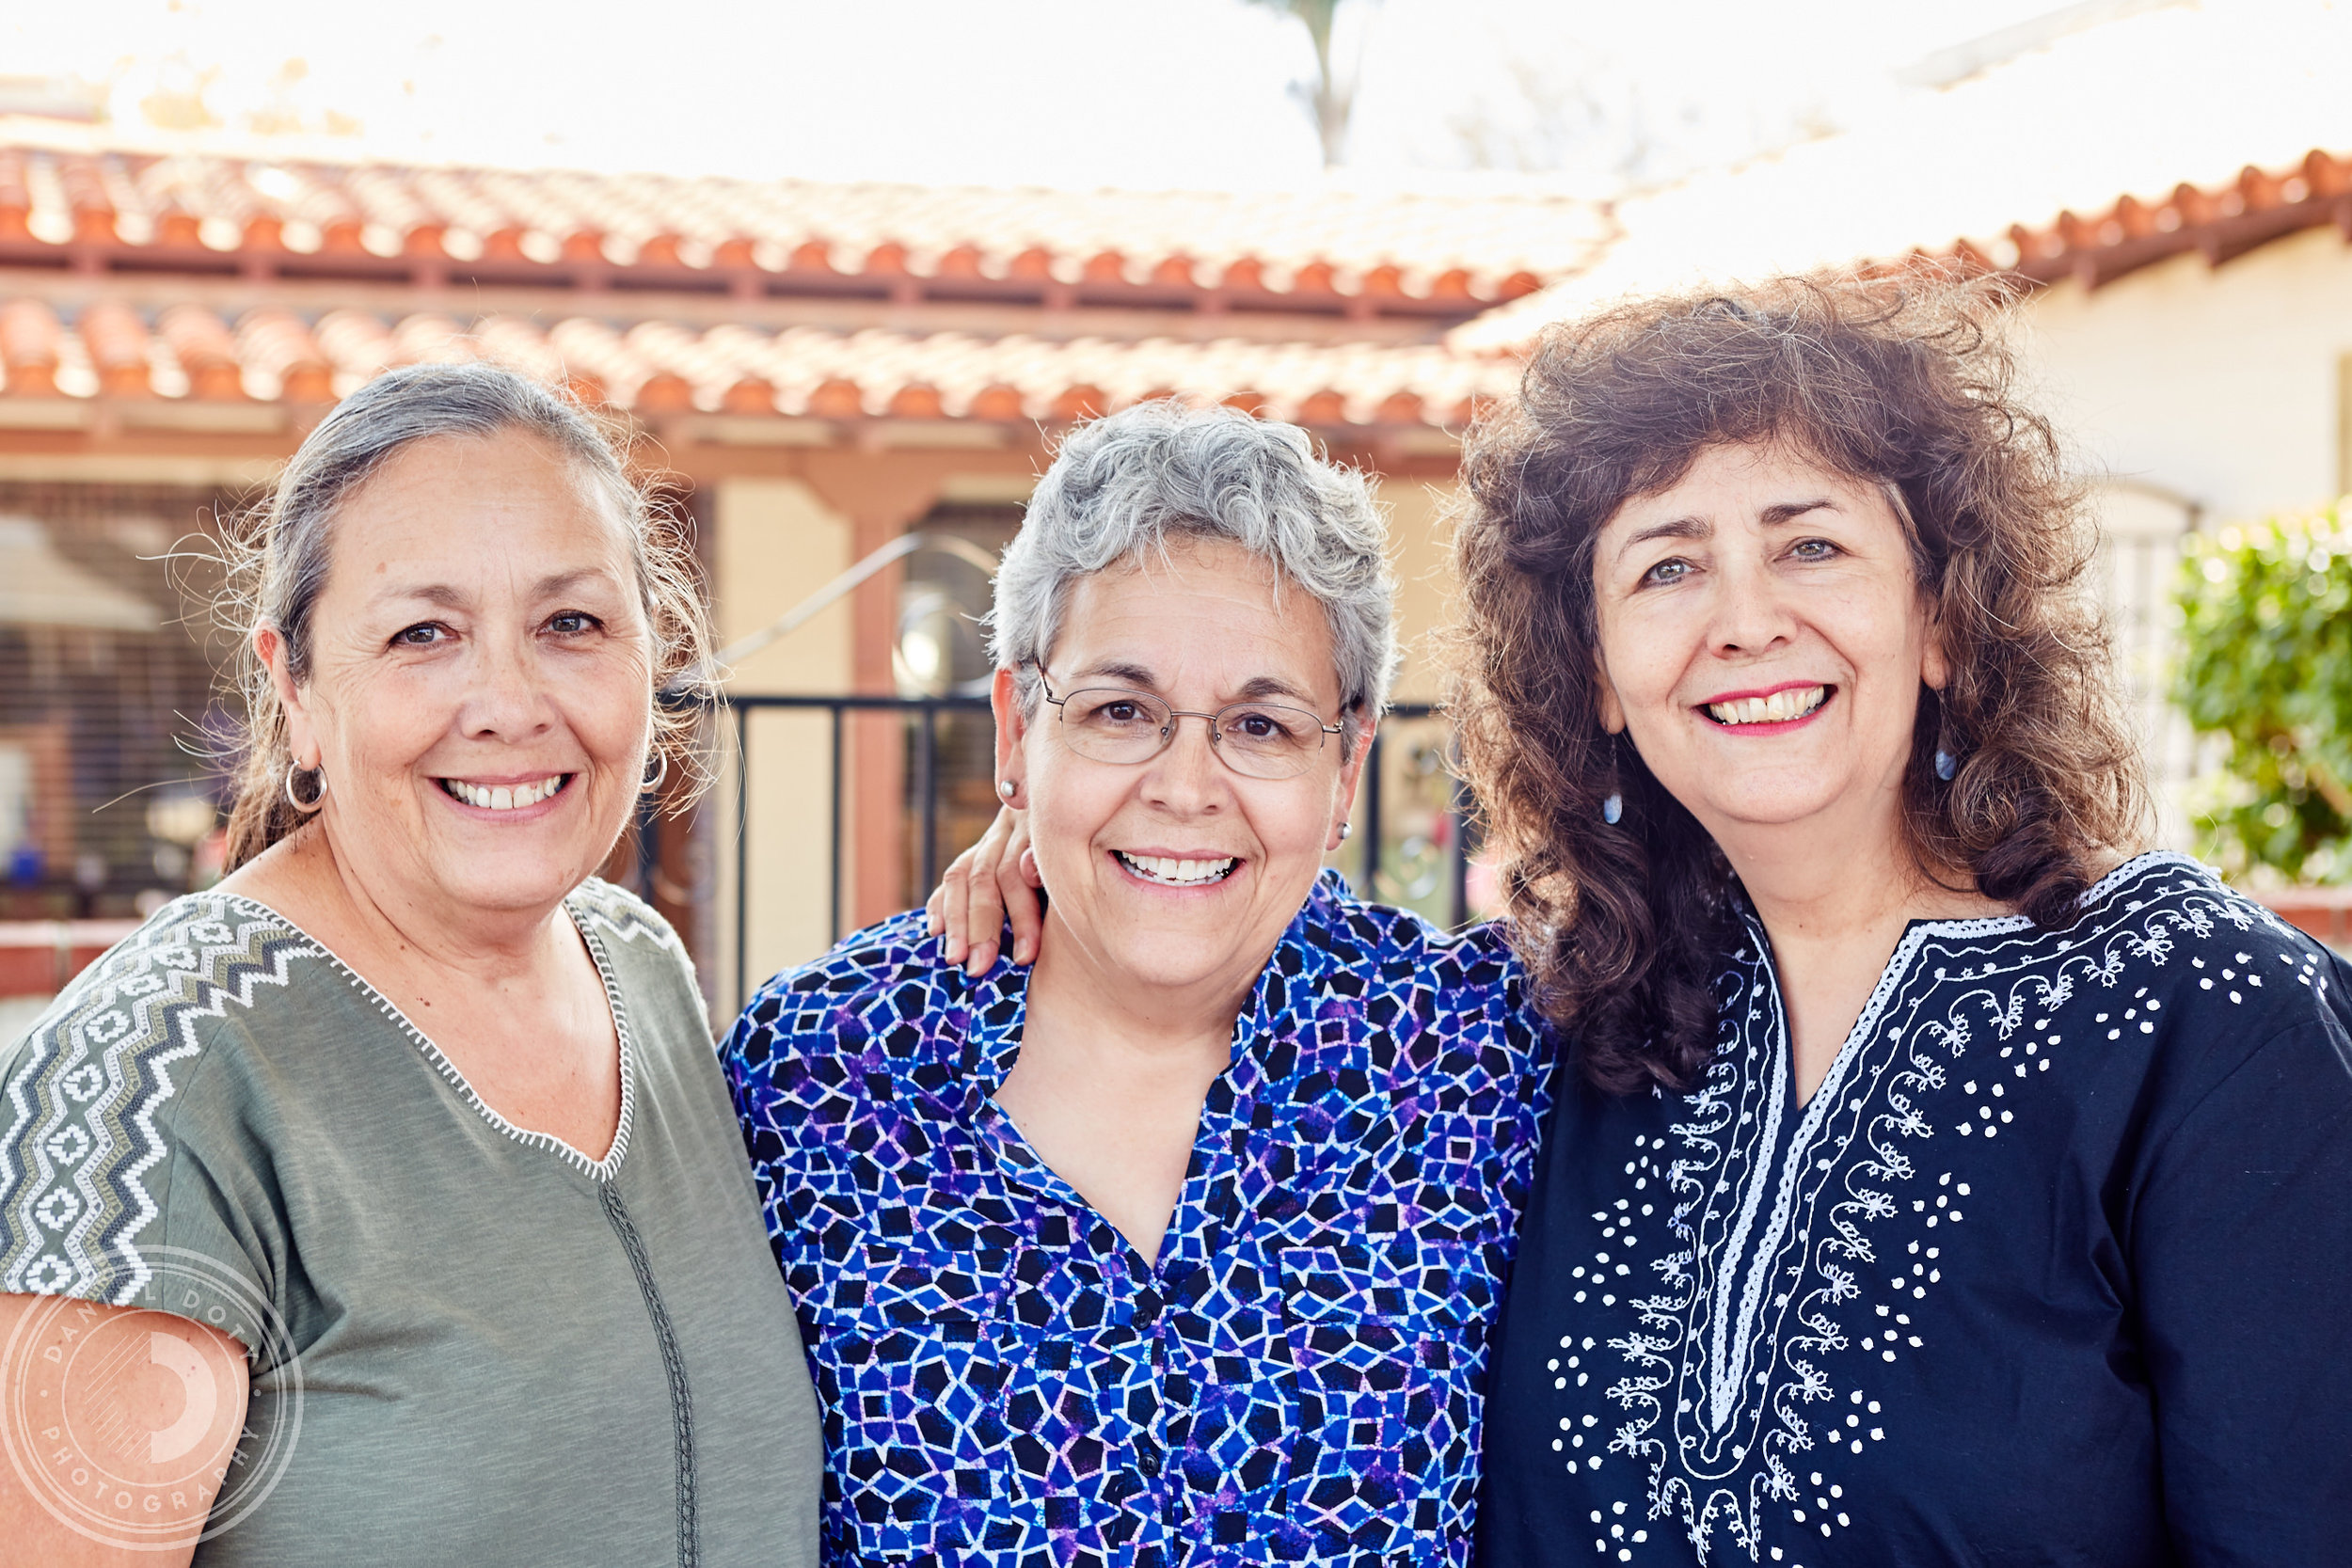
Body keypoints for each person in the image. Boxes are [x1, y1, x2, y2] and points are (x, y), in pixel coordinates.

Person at [1454, 278, 2352, 1564]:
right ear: (1594, 669)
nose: (1748, 620)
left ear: (1939, 615)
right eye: (1667, 564)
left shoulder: (2202, 1019)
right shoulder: (1553, 1027)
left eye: (1810, 542)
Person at [0, 362, 820, 1566]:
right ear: (298, 692)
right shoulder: (155, 1076)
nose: (507, 701)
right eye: (422, 633)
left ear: (655, 663)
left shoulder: (638, 960)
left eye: (572, 624)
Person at [722, 400, 1552, 1567]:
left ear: (1345, 767)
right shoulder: (818, 1073)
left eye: (1261, 725)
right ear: (1016, 733)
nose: (1183, 785)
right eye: (1120, 712)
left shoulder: (1480, 1056)